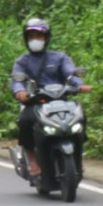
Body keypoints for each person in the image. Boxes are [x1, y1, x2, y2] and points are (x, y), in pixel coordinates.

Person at [10, 18, 90, 181]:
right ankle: (32, 161)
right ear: (26, 39)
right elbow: (17, 80)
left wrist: (80, 85)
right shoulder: (22, 61)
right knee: (25, 122)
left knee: (80, 118)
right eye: (31, 36)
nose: (35, 40)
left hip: (60, 102)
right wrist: (20, 92)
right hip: (36, 103)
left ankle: (78, 157)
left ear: (46, 38)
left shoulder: (59, 58)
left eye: (39, 36)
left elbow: (70, 74)